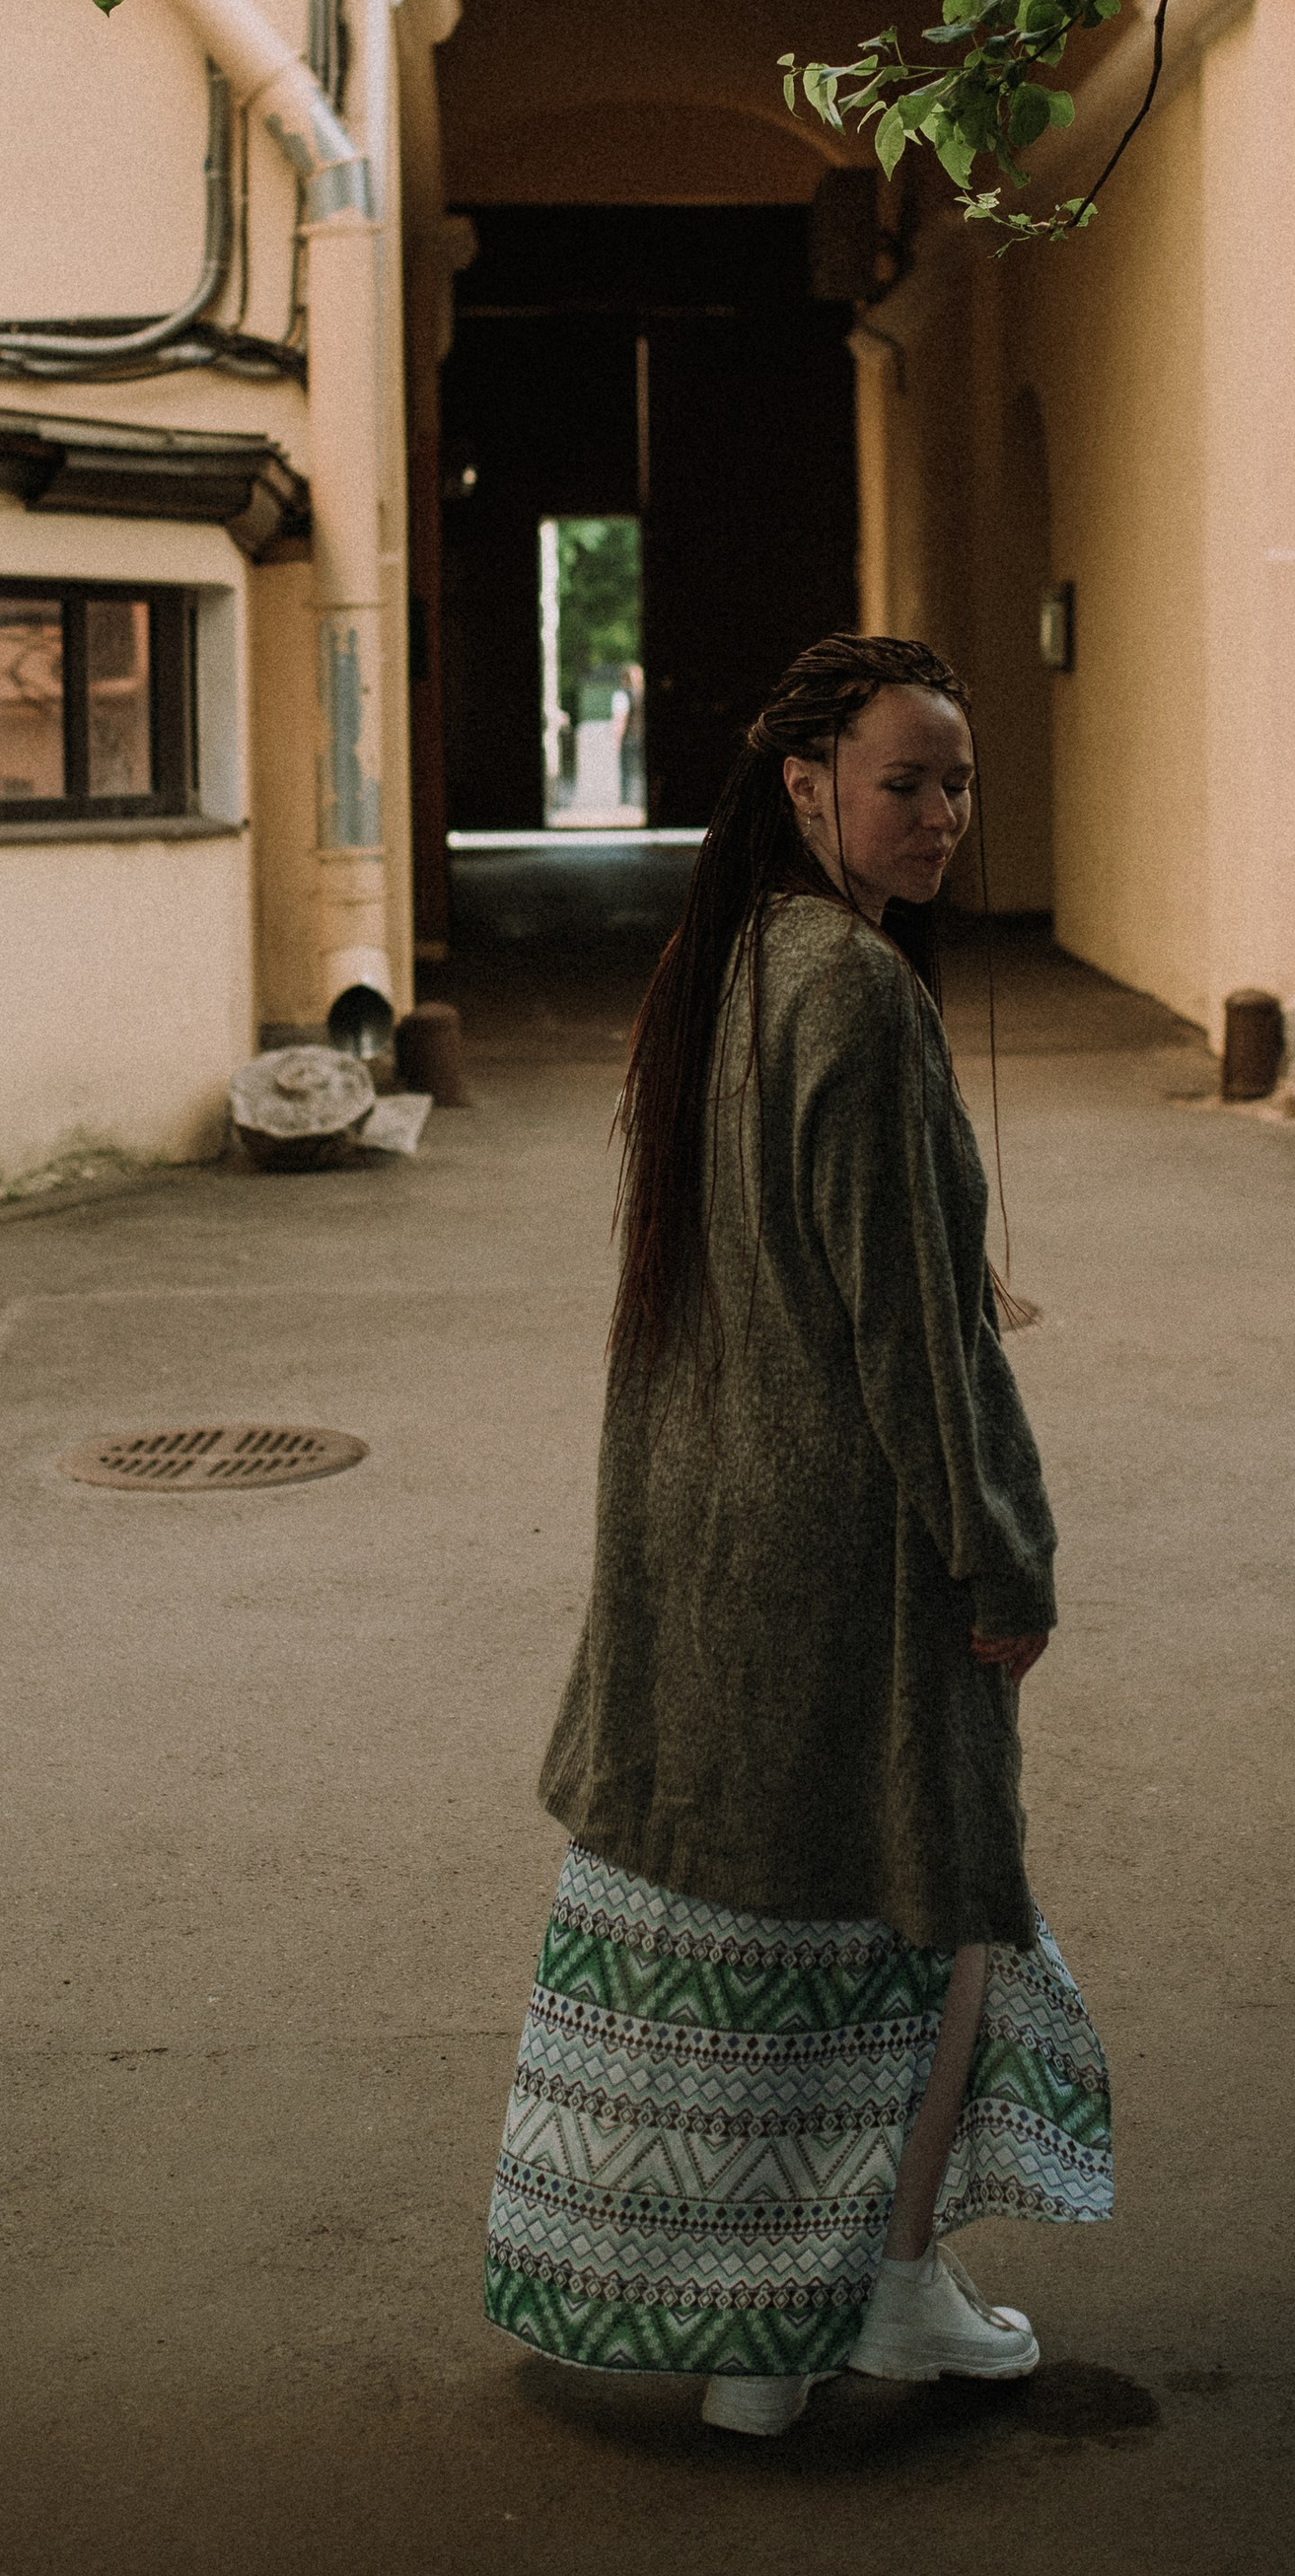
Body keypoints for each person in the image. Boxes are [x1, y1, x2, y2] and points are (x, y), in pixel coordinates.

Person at [483, 632, 1111, 2439]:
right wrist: (999, 1552)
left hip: (700, 1514)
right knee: (944, 1906)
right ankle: (894, 2292)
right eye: (906, 779)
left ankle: (767, 2344)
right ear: (806, 784)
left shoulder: (733, 961)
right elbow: (906, 1328)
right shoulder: (853, 989)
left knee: (773, 1925)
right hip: (844, 1533)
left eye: (961, 782)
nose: (942, 816)